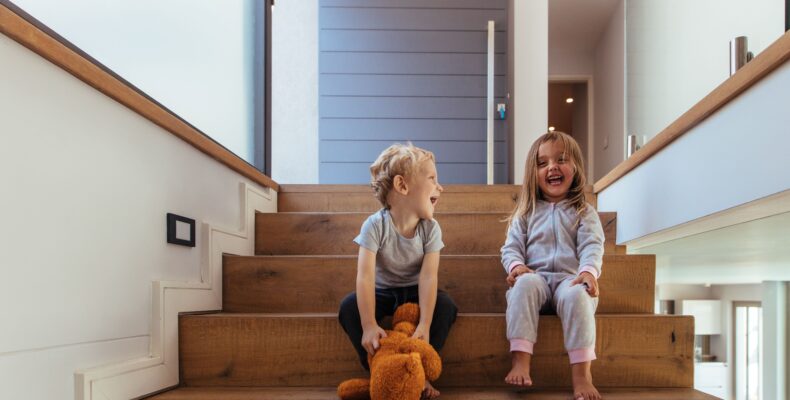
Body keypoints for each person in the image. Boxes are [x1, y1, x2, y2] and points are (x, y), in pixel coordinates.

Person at [338, 143, 458, 400]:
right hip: (383, 291)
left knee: (446, 306)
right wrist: (369, 325)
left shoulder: (431, 228)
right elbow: (365, 277)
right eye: (432, 178)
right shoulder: (374, 226)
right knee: (348, 307)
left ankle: (420, 374)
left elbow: (429, 277)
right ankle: (380, 370)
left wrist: (424, 324)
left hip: (415, 291)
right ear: (402, 185)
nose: (440, 187)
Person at [502, 131, 604, 400]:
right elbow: (511, 247)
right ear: (532, 173)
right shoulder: (526, 213)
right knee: (523, 285)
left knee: (579, 297)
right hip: (535, 277)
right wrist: (516, 267)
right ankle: (520, 361)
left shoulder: (584, 211)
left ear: (576, 167)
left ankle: (582, 375)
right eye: (542, 163)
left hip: (570, 280)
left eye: (561, 160)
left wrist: (588, 272)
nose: (552, 167)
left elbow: (592, 246)